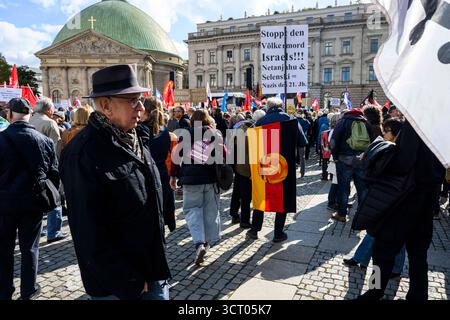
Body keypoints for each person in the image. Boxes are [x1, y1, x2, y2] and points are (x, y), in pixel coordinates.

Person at [59, 64, 171, 300]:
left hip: (151, 269)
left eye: (140, 99)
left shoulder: (136, 136)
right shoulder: (82, 153)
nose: (141, 107)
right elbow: (87, 232)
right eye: (132, 100)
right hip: (120, 287)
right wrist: (129, 280)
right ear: (105, 105)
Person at [358, 120, 445, 300]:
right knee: (418, 254)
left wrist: (383, 153)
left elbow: (403, 163)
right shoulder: (441, 128)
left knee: (382, 251)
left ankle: (374, 292)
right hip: (428, 200)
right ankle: (418, 295)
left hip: (404, 201)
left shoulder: (415, 124)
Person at [0, 98, 59, 300]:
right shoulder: (44, 140)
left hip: (4, 204)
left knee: (4, 249)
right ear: (28, 115)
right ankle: (29, 290)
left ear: (9, 116)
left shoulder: (1, 139)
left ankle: (5, 290)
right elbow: (54, 174)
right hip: (33, 203)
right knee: (30, 248)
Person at [343, 118, 406, 277]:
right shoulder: (390, 147)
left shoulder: (400, 151)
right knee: (375, 230)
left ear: (396, 134)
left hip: (395, 200)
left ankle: (393, 270)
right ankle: (361, 259)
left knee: (395, 237)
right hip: (384, 198)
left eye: (387, 131)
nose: (384, 134)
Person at [246, 98, 306, 243]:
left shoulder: (260, 122)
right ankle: (278, 233)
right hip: (284, 166)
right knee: (283, 198)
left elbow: (253, 146)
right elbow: (303, 142)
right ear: (281, 106)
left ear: (268, 107)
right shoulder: (291, 120)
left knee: (262, 195)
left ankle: (255, 230)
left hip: (265, 164)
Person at [170, 109, 224, 265]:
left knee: (192, 211)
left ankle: (199, 243)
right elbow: (225, 155)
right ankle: (206, 243)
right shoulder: (214, 134)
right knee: (210, 212)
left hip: (190, 180)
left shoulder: (185, 135)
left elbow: (175, 157)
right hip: (210, 179)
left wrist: (173, 176)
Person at [30, 98, 67, 243]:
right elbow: (55, 148)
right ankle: (53, 232)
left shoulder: (30, 120)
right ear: (48, 110)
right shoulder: (49, 123)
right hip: (48, 167)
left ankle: (38, 230)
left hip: (32, 167)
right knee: (54, 198)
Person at [330, 108, 375, 222]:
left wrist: (335, 157)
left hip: (344, 160)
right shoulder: (366, 123)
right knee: (362, 189)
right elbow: (373, 142)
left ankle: (342, 214)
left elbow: (334, 141)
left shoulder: (342, 122)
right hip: (361, 160)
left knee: (343, 188)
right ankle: (362, 215)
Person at [141, 98, 177, 233]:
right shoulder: (166, 132)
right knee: (159, 220)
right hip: (162, 177)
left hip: (146, 180)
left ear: (146, 111)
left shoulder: (140, 130)